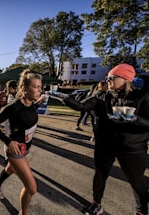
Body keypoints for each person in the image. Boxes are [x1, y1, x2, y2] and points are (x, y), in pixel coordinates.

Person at [49, 63, 149, 215]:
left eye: (111, 78)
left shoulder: (141, 97)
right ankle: (96, 204)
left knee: (136, 181)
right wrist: (65, 98)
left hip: (132, 147)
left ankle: (141, 211)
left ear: (125, 79)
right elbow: (82, 106)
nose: (107, 80)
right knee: (100, 175)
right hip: (105, 144)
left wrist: (134, 119)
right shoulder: (102, 95)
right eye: (107, 77)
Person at [0, 69, 46, 215]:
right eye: (36, 87)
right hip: (15, 149)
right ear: (24, 88)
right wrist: (9, 142)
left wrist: (38, 104)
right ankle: (23, 213)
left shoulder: (31, 104)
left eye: (40, 87)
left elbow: (27, 116)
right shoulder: (13, 107)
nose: (39, 90)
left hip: (26, 147)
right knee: (31, 187)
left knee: (11, 169)